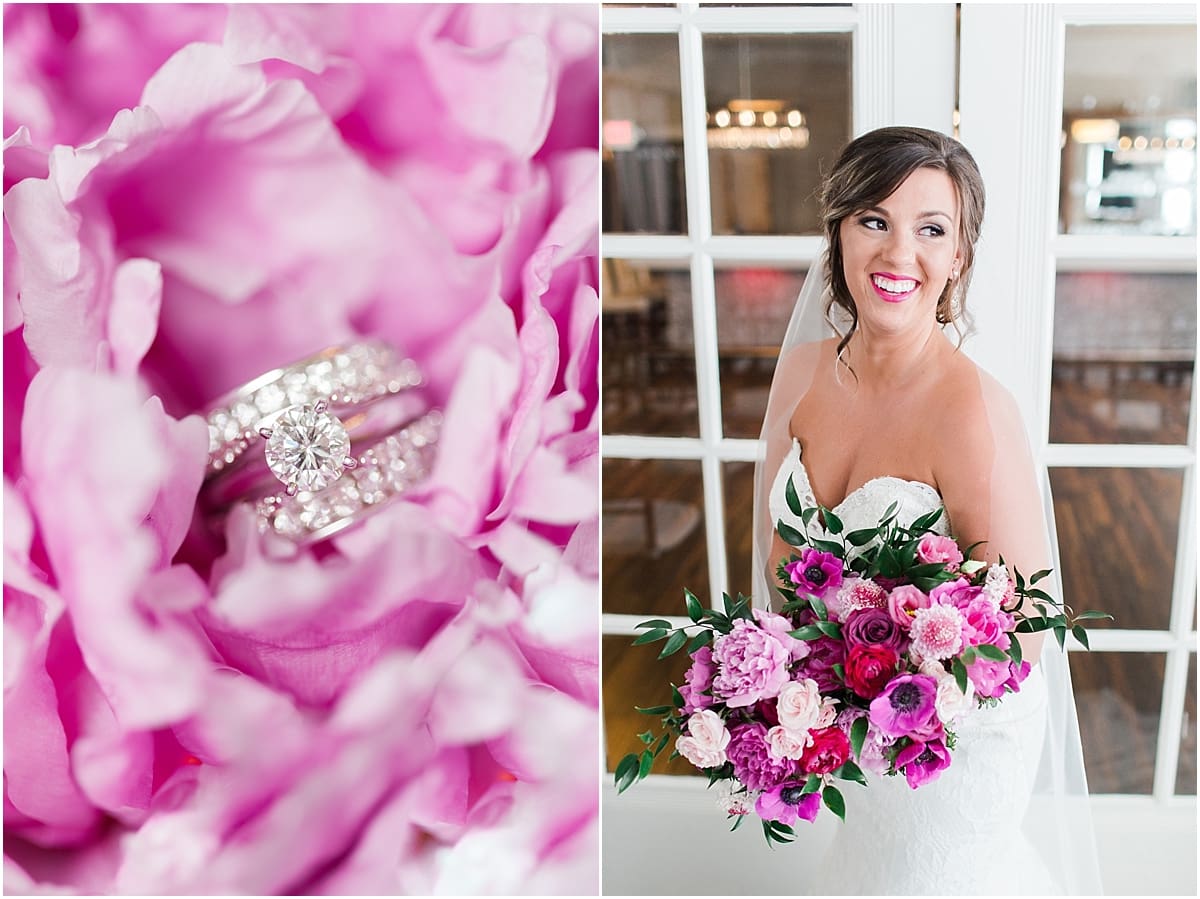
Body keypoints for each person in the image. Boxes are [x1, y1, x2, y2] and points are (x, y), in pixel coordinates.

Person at [751, 127, 1102, 895]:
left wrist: (882, 692)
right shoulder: (803, 375)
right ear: (839, 232)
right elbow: (783, 560)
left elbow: (1024, 639)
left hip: (954, 743)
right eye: (873, 220)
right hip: (852, 732)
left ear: (960, 256)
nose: (898, 253)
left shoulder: (972, 409)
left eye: (931, 230)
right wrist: (790, 687)